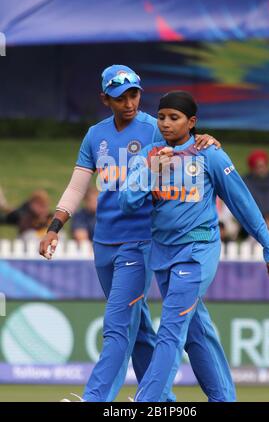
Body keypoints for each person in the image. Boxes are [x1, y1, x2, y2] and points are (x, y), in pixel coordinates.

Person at [39, 65, 220, 402]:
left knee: (117, 325)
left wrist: (206, 140)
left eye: (134, 94)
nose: (129, 102)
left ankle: (95, 399)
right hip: (103, 242)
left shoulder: (156, 128)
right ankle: (162, 402)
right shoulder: (95, 135)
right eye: (120, 97)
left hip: (140, 243)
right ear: (105, 98)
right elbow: (77, 188)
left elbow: (191, 146)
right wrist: (54, 228)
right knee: (137, 331)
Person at [119, 90, 269, 402]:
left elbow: (242, 203)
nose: (166, 124)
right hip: (163, 255)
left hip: (197, 253)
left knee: (171, 325)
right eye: (161, 117)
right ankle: (224, 398)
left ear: (191, 122)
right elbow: (127, 203)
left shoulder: (209, 154)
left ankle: (149, 400)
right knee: (197, 331)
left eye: (174, 118)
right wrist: (151, 170)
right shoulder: (150, 155)